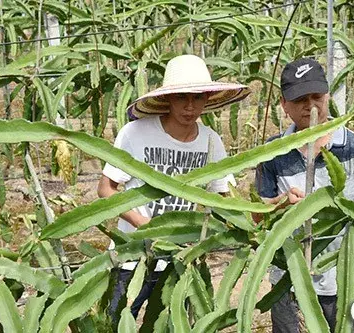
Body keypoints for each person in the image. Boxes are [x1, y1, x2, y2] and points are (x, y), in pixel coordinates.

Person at [97, 54, 250, 327]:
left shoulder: (211, 142)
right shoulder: (135, 133)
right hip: (130, 257)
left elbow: (225, 199)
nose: (190, 106)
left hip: (178, 258)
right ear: (168, 98)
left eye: (198, 97)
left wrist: (265, 210)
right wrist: (146, 226)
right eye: (182, 97)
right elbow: (106, 189)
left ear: (207, 99)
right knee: (116, 324)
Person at [254, 58, 354, 333]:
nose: (310, 105)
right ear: (284, 104)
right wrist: (279, 204)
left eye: (316, 96)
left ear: (327, 95)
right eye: (300, 98)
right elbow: (256, 213)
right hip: (287, 277)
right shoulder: (272, 152)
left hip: (342, 276)